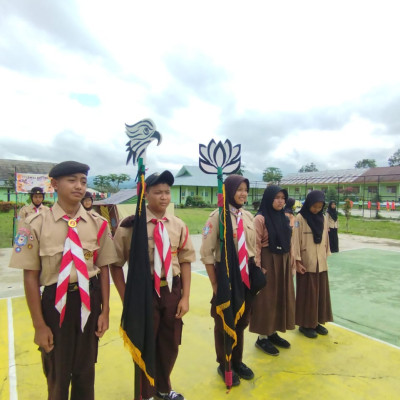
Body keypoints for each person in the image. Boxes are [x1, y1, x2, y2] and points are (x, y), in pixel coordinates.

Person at [9, 161, 117, 400]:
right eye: (72, 180)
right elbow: (30, 276)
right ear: (55, 184)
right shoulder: (35, 224)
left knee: (86, 371)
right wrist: (39, 324)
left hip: (89, 299)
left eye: (83, 181)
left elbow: (104, 268)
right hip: (54, 303)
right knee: (57, 372)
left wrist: (105, 311)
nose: (79, 186)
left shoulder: (98, 225)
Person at [110, 171, 195, 400]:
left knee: (170, 343)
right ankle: (144, 394)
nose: (164, 197)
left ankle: (163, 388)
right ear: (145, 194)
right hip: (143, 292)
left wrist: (185, 297)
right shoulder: (131, 227)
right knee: (144, 343)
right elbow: (116, 264)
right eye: (157, 192)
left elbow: (185, 261)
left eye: (167, 192)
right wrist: (126, 296)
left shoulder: (178, 225)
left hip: (171, 289)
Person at [200, 174, 256, 387]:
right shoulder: (217, 217)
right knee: (224, 322)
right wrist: (215, 285)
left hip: (246, 277)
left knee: (241, 322)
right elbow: (206, 253)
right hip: (226, 277)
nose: (243, 194)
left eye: (245, 189)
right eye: (238, 189)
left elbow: (253, 247)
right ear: (229, 191)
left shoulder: (248, 217)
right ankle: (224, 364)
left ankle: (238, 361)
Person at [249, 185, 295, 356]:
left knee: (279, 297)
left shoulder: (283, 218)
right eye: (276, 197)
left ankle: (273, 332)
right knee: (266, 300)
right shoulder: (260, 219)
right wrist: (258, 268)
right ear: (269, 199)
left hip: (282, 260)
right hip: (268, 261)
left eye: (283, 198)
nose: (280, 201)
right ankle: (262, 338)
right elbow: (256, 245)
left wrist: (290, 263)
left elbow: (289, 241)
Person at [292, 190, 333, 339]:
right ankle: (305, 324)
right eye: (314, 206)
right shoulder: (300, 218)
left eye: (319, 206)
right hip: (306, 261)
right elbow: (295, 239)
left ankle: (316, 322)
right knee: (308, 294)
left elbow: (326, 238)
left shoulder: (323, 218)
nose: (316, 209)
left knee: (320, 293)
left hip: (320, 262)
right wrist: (297, 260)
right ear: (308, 203)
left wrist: (325, 254)